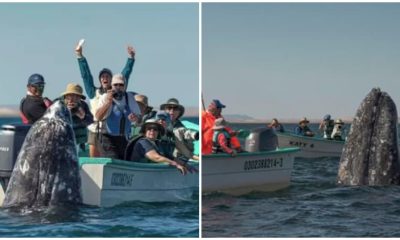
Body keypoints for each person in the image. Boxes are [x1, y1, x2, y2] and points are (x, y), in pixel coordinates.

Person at [75, 41, 136, 157]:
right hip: (95, 131)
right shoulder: (93, 92)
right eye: (102, 76)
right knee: (94, 161)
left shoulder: (117, 91)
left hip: (110, 132)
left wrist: (131, 59)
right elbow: (86, 75)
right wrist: (79, 56)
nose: (104, 78)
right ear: (100, 80)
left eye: (107, 76)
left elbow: (125, 76)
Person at [95, 73, 141, 159]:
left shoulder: (129, 97)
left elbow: (139, 120)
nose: (118, 87)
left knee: (124, 162)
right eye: (115, 85)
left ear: (124, 86)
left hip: (124, 139)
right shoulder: (105, 97)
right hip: (108, 138)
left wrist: (136, 118)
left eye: (121, 85)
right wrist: (108, 102)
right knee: (113, 159)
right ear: (111, 85)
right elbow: (98, 117)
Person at [59, 83, 93, 151]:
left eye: (77, 96)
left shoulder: (83, 105)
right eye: (70, 96)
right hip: (64, 141)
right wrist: (66, 112)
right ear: (66, 96)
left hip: (79, 143)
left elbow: (90, 121)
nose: (72, 99)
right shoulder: (60, 105)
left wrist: (83, 116)